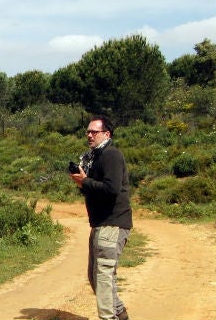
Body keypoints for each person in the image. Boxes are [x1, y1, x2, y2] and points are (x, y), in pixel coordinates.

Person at [70, 115, 133, 320]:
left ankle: (110, 317)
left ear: (106, 134)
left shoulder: (111, 154)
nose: (89, 135)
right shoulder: (96, 157)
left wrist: (86, 181)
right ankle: (119, 314)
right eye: (87, 131)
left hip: (112, 223)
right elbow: (98, 190)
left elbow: (112, 189)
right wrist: (83, 183)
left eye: (94, 132)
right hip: (101, 224)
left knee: (104, 276)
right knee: (96, 277)